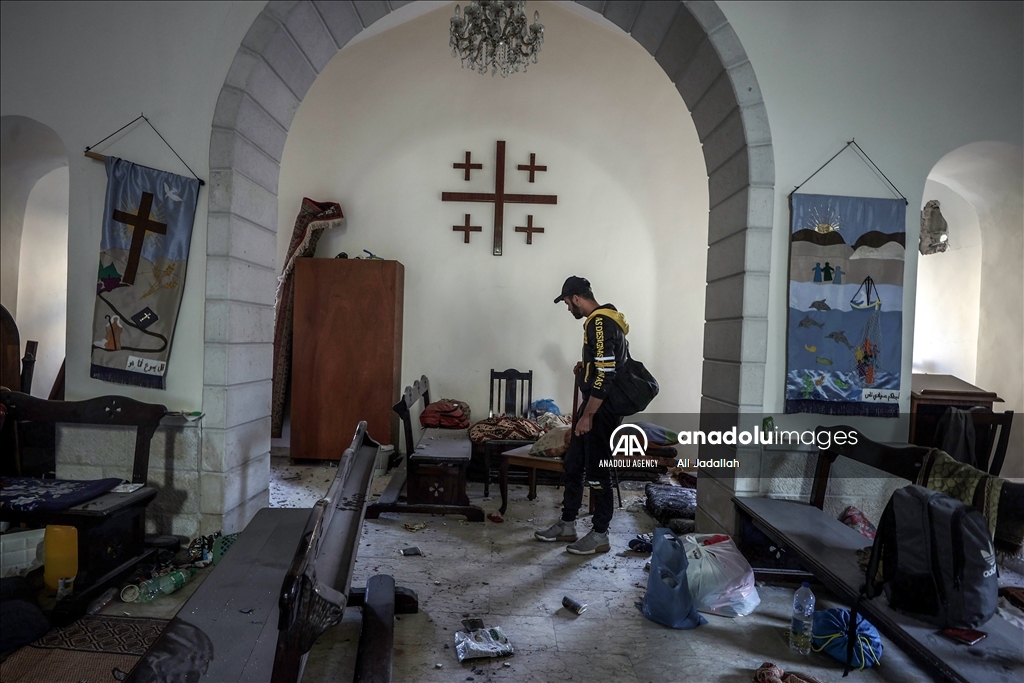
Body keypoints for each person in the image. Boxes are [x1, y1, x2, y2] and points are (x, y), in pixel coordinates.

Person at [535, 276, 629, 555]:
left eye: (567, 303)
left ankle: (600, 534)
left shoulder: (599, 322)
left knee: (598, 473)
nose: (568, 308)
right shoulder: (605, 319)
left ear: (576, 298)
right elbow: (604, 362)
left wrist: (588, 415)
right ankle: (567, 524)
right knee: (574, 463)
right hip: (593, 405)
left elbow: (607, 373)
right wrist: (586, 366)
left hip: (601, 409)